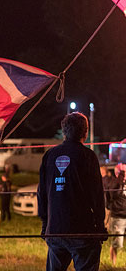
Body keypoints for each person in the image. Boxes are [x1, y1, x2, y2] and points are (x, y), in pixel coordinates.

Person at [37, 112, 107, 271]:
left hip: (55, 229)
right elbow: (96, 194)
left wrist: (45, 224)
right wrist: (100, 225)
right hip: (82, 230)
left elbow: (42, 193)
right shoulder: (88, 156)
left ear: (64, 131)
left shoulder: (50, 155)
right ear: (85, 132)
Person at [108, 163, 126, 265]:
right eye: (123, 172)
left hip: (124, 215)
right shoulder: (114, 184)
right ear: (117, 173)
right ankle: (113, 263)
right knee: (116, 243)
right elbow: (111, 196)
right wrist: (120, 183)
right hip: (118, 216)